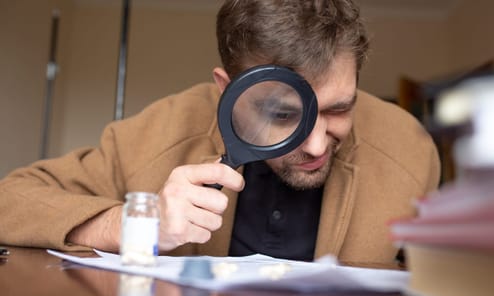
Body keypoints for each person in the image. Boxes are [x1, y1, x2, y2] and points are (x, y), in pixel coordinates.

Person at [0, 0, 440, 265]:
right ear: (228, 91)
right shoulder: (159, 131)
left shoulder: (410, 150)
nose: (317, 144)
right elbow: (11, 200)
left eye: (340, 108)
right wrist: (135, 223)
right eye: (283, 114)